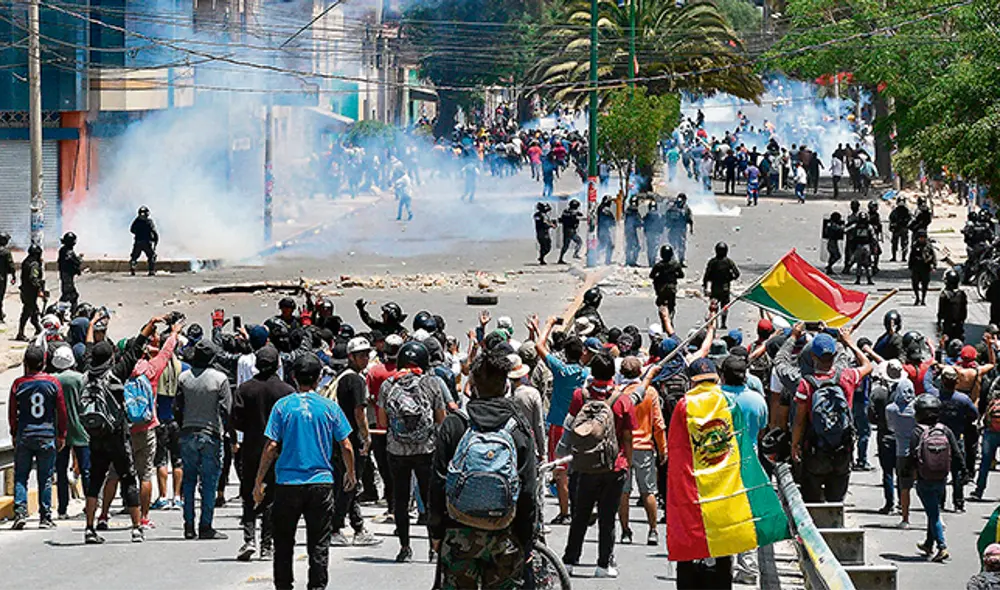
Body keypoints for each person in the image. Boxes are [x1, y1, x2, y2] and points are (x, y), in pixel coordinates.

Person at [428, 348, 538, 589]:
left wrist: (435, 532)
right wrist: (526, 538)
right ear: (506, 385)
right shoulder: (518, 427)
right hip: (505, 534)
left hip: (458, 532)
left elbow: (437, 481)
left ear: (473, 384)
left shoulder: (455, 423)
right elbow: (528, 489)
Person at [254, 353, 356, 590]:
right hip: (321, 483)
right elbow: (347, 445)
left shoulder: (283, 406)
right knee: (319, 543)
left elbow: (271, 446)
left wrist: (258, 480)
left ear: (293, 377)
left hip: (287, 483)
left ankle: (283, 585)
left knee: (283, 542)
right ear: (319, 378)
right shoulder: (329, 407)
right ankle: (317, 587)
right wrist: (350, 474)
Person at [558, 352, 636, 578]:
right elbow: (628, 436)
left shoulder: (579, 396)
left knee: (580, 515)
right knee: (607, 517)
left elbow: (572, 427)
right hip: (614, 465)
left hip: (584, 465)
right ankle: (604, 564)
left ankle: (570, 560)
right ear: (614, 373)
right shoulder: (622, 400)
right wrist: (627, 462)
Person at [82, 313, 153, 544]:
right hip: (117, 435)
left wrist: (91, 325)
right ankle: (135, 528)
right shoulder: (115, 374)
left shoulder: (86, 374)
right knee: (128, 477)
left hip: (95, 434)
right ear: (111, 357)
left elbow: (88, 348)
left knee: (95, 482)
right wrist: (150, 324)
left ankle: (90, 528)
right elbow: (135, 351)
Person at [378, 340, 447, 562]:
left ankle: (405, 548)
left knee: (400, 499)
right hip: (426, 450)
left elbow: (381, 422)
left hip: (396, 451)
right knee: (430, 500)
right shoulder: (432, 383)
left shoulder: (388, 385)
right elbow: (440, 420)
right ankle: (433, 549)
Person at [791, 328, 873, 502]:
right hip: (842, 451)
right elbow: (868, 365)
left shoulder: (806, 384)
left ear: (813, 356)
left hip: (815, 451)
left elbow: (799, 421)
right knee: (836, 501)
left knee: (812, 503)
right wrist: (849, 342)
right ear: (835, 356)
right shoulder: (847, 377)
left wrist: (795, 445)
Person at [231, 345, 293, 561]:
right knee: (272, 497)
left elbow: (236, 421)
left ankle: (249, 539)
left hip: (251, 449)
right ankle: (267, 544)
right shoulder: (286, 391)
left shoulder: (244, 389)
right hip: (278, 452)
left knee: (248, 494)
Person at [533, 315, 593, 525]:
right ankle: (582, 509)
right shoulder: (587, 373)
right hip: (583, 425)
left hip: (560, 424)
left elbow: (539, 345)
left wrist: (547, 324)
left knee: (560, 471)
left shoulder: (561, 371)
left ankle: (565, 512)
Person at [324, 337, 381, 547]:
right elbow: (359, 412)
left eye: (367, 354)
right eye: (361, 355)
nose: (365, 358)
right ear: (351, 357)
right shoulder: (355, 380)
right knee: (348, 483)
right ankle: (335, 527)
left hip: (339, 437)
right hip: (350, 439)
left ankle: (357, 527)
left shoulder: (344, 376)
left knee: (350, 482)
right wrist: (366, 438)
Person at [175, 339, 232, 540]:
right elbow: (226, 409)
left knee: (189, 481)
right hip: (211, 434)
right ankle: (205, 525)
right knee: (209, 483)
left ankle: (188, 525)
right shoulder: (220, 378)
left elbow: (177, 407)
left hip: (188, 432)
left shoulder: (184, 378)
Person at [9, 345, 67, 530]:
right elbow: (62, 411)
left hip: (25, 435)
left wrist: (14, 432)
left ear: (25, 363)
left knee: (20, 476)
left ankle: (20, 511)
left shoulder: (18, 384)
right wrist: (61, 434)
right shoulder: (53, 383)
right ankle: (45, 516)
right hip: (46, 434)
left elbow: (12, 412)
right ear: (43, 363)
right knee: (46, 477)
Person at [906, 394, 963, 562]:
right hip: (941, 478)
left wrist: (906, 472)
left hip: (924, 479)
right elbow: (956, 453)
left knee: (934, 514)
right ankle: (928, 544)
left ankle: (942, 546)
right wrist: (963, 472)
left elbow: (911, 456)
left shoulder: (917, 431)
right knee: (933, 510)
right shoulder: (944, 430)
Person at [617, 357, 664, 547]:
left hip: (623, 447)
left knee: (624, 492)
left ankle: (625, 531)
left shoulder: (619, 394)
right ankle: (653, 530)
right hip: (644, 447)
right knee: (648, 491)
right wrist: (663, 449)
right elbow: (658, 424)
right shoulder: (650, 392)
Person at [50, 344, 90, 520]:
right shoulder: (81, 378)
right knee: (86, 470)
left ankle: (62, 509)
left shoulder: (51, 380)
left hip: (59, 431)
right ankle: (90, 505)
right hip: (80, 429)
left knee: (60, 469)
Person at [929, 365, 976, 512]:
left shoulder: (935, 398)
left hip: (938, 439)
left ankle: (940, 502)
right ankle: (959, 503)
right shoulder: (963, 399)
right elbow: (974, 415)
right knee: (957, 473)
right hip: (957, 438)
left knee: (940, 472)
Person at [869, 360, 909, 514]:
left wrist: (880, 421)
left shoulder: (878, 393)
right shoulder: (905, 393)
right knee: (900, 471)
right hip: (901, 435)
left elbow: (870, 415)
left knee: (887, 471)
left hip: (884, 434)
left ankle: (889, 504)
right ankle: (901, 502)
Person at [885, 373, 917, 527]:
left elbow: (890, 427)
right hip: (918, 451)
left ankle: (905, 519)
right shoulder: (918, 408)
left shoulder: (891, 409)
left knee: (904, 487)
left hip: (902, 452)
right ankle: (936, 517)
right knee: (926, 486)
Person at [703, 242, 740, 329]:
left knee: (714, 305)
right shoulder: (729, 262)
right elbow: (737, 274)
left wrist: (705, 287)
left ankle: (714, 322)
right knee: (724, 306)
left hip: (715, 287)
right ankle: (723, 323)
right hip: (725, 287)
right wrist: (730, 278)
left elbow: (706, 276)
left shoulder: (712, 262)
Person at [16, 243, 45, 342]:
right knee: (28, 312)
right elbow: (33, 278)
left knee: (33, 312)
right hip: (30, 293)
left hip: (25, 291)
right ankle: (21, 333)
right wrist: (40, 290)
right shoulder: (34, 264)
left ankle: (38, 330)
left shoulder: (26, 261)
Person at [650, 245, 684, 319]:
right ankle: (670, 315)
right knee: (671, 304)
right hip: (672, 288)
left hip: (661, 289)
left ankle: (664, 315)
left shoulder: (658, 265)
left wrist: (659, 277)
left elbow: (651, 276)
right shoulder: (676, 264)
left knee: (660, 303)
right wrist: (674, 276)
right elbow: (681, 275)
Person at [937, 269, 968, 342]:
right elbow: (964, 311)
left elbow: (941, 311)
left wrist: (939, 323)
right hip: (959, 325)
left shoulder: (944, 295)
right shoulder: (962, 294)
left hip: (948, 325)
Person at [664, 193, 694, 265]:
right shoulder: (673, 207)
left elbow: (689, 219)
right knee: (673, 244)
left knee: (681, 246)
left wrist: (691, 228)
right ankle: (672, 259)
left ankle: (681, 260)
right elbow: (667, 216)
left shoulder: (686, 208)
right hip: (673, 229)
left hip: (681, 229)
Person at [909, 230, 936, 306]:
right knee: (915, 284)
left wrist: (933, 265)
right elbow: (911, 256)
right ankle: (917, 298)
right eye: (920, 237)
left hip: (925, 268)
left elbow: (933, 256)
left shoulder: (929, 246)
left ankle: (923, 299)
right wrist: (910, 265)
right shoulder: (915, 246)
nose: (921, 239)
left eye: (923, 237)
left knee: (925, 285)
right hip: (916, 268)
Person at [57, 232, 82, 315]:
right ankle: (60, 312)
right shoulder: (69, 252)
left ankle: (70, 312)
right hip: (67, 277)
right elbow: (75, 262)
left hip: (65, 276)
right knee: (70, 296)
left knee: (70, 295)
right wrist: (79, 260)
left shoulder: (63, 250)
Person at [129, 205, 158, 277]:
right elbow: (154, 232)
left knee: (134, 256)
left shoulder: (137, 221)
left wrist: (138, 233)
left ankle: (133, 266)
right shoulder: (149, 221)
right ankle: (151, 271)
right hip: (147, 242)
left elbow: (132, 230)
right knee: (151, 256)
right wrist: (155, 240)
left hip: (138, 242)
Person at [853, 212, 876, 286]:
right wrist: (874, 248)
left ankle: (858, 280)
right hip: (866, 246)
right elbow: (873, 238)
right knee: (868, 264)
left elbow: (852, 237)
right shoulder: (869, 227)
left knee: (859, 264)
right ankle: (869, 280)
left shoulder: (856, 227)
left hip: (858, 246)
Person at [557, 200, 584, 264]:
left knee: (565, 245)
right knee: (579, 242)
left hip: (565, 230)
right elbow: (580, 215)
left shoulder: (565, 211)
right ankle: (575, 254)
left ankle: (560, 259)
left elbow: (561, 219)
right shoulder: (575, 212)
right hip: (571, 230)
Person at [643, 200, 666, 267]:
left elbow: (644, 223)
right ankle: (652, 261)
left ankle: (651, 261)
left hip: (652, 233)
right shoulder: (656, 215)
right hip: (653, 233)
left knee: (651, 247)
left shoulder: (649, 215)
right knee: (653, 247)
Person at [889, 197, 912, 262]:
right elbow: (891, 219)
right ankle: (896, 257)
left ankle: (901, 257)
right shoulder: (896, 211)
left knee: (902, 243)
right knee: (897, 243)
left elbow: (910, 219)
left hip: (902, 229)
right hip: (898, 229)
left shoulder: (906, 211)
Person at [597, 195, 616, 265]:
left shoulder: (601, 207)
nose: (610, 203)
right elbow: (611, 219)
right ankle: (607, 261)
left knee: (603, 245)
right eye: (610, 202)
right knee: (609, 245)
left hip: (603, 229)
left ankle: (593, 255)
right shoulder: (604, 209)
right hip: (603, 230)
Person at [624, 196, 643, 267]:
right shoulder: (634, 210)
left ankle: (628, 260)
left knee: (629, 246)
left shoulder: (628, 210)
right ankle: (632, 261)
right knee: (636, 246)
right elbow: (638, 221)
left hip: (628, 231)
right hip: (631, 231)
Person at [0, 231, 15, 323]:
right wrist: (13, 276)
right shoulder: (6, 252)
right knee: (0, 296)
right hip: (1, 278)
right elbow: (11, 265)